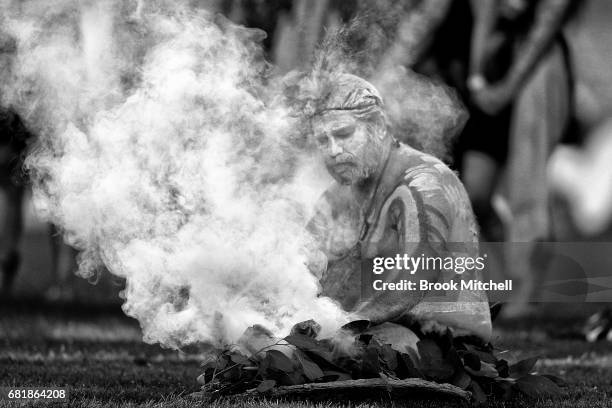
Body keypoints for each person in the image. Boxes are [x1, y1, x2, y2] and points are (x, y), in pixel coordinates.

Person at [305, 73, 492, 341]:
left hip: (447, 342)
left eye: (344, 134)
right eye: (323, 141)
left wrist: (343, 325)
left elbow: (413, 281)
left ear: (379, 126)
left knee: (385, 344)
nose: (333, 150)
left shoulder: (424, 183)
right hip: (378, 330)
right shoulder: (337, 196)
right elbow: (301, 266)